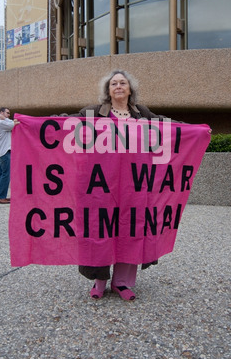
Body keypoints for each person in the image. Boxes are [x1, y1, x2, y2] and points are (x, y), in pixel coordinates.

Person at [74, 69, 188, 301]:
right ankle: (100, 281)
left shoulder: (141, 113)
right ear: (107, 90)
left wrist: (196, 129)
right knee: (101, 229)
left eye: (122, 83)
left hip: (134, 185)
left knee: (130, 228)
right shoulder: (94, 112)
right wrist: (28, 124)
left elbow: (169, 127)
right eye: (114, 83)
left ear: (129, 88)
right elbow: (64, 123)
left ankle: (122, 283)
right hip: (102, 185)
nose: (118, 86)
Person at [0, 107, 19, 204]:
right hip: (3, 152)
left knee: (0, 175)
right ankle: (0, 197)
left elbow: (10, 122)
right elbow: (14, 124)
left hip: (0, 152)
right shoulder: (1, 123)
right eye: (7, 113)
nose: (8, 115)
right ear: (1, 113)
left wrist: (3, 118)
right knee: (6, 175)